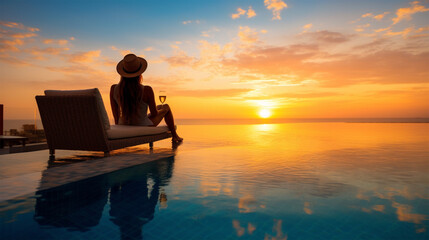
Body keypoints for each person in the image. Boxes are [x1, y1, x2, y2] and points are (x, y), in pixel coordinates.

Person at [110, 53, 183, 142]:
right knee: (166, 107)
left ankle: (174, 135)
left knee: (160, 107)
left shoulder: (114, 89)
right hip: (143, 125)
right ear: (139, 73)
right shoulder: (146, 90)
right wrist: (155, 113)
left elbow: (116, 114)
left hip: (123, 124)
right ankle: (175, 136)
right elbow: (154, 114)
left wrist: (120, 126)